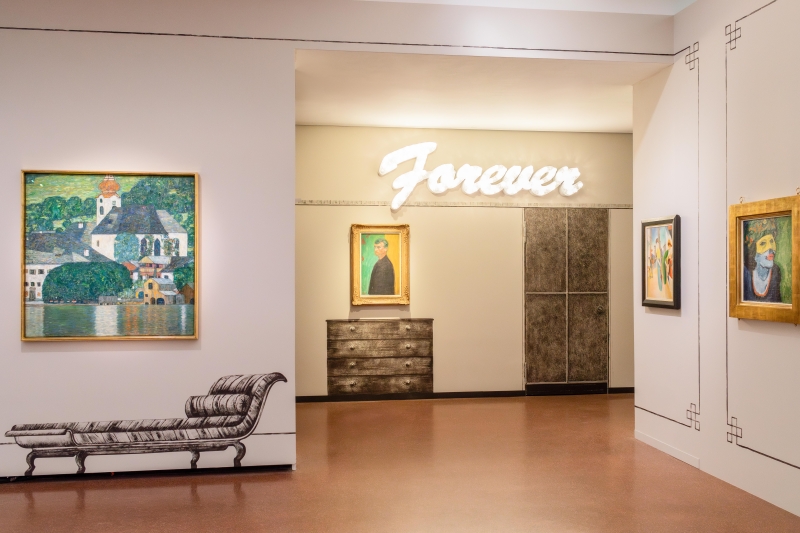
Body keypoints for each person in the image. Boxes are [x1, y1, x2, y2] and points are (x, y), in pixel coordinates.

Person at [742, 218, 782, 302]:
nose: (770, 248)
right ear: (753, 251)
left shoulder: (776, 271)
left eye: (771, 241)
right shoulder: (744, 273)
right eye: (763, 243)